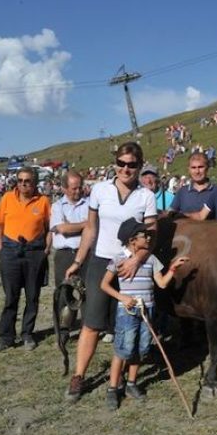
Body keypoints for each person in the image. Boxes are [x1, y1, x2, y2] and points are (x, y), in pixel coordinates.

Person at [64, 142, 158, 402]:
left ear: (139, 166)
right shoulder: (99, 190)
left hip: (130, 266)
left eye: (132, 164)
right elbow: (91, 229)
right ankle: (79, 376)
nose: (126, 169)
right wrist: (78, 260)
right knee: (92, 323)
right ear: (115, 163)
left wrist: (137, 260)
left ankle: (125, 380)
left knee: (128, 324)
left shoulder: (146, 196)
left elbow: (152, 235)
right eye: (121, 163)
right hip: (101, 260)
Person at [101, 218, 189, 409]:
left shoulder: (151, 259)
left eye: (148, 234)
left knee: (141, 349)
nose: (149, 238)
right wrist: (122, 298)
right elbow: (104, 285)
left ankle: (132, 383)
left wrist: (173, 269)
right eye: (144, 235)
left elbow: (162, 283)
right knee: (123, 349)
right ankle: (113, 388)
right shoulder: (118, 259)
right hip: (127, 312)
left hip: (147, 311)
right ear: (132, 240)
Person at [0, 167, 51, 353]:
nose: (24, 184)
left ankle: (27, 334)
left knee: (32, 297)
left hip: (34, 252)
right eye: (21, 180)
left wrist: (46, 249)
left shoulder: (43, 201)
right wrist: (0, 248)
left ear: (34, 183)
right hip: (10, 252)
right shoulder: (7, 198)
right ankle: (6, 337)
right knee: (11, 297)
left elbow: (50, 227)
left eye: (28, 181)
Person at [49, 170, 88, 288]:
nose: (78, 191)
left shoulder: (90, 204)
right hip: (64, 256)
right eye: (74, 188)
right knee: (63, 293)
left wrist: (71, 226)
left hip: (86, 255)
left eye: (80, 187)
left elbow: (93, 228)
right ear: (64, 189)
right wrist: (85, 225)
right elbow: (63, 229)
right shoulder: (57, 206)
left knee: (86, 292)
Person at [169, 152, 217, 219]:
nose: (197, 171)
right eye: (193, 168)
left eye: (201, 167)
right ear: (189, 169)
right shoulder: (182, 192)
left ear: (207, 168)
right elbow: (171, 213)